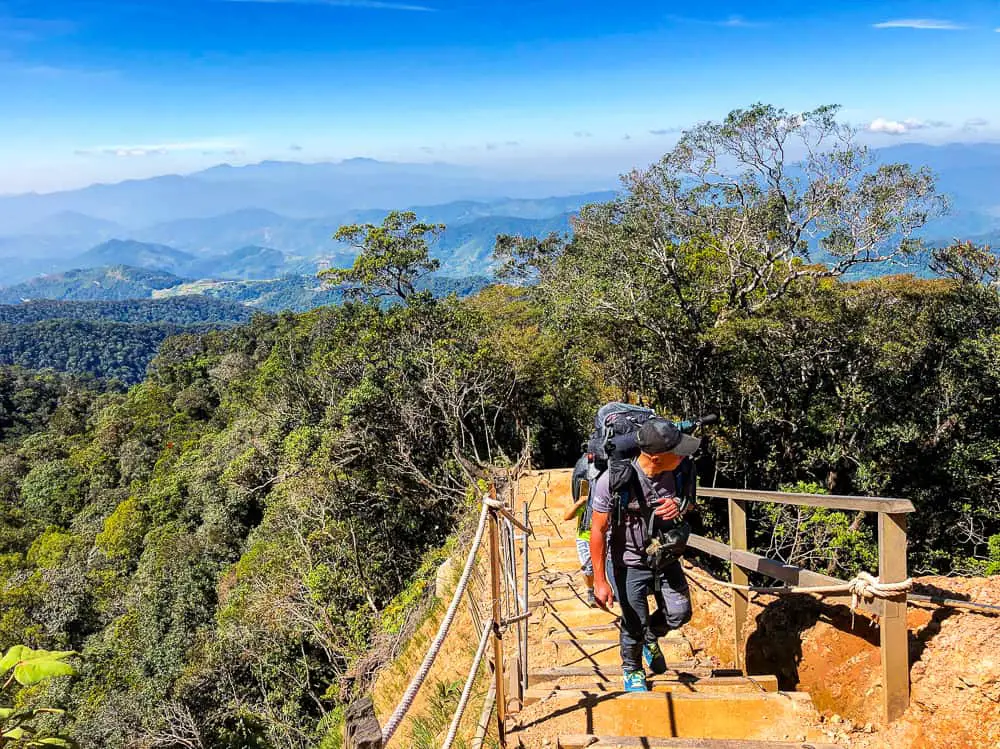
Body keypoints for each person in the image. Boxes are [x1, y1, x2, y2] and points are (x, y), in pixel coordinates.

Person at [589, 417, 699, 692]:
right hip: (628, 560)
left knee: (679, 613)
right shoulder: (611, 482)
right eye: (677, 451)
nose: (684, 455)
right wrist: (600, 581)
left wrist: (679, 507)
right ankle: (633, 669)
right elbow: (598, 530)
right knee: (634, 621)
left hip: (665, 554)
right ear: (656, 457)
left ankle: (652, 635)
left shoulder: (681, 470)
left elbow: (690, 504)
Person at [565, 451, 596, 607]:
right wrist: (581, 502)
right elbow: (567, 516)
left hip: (603, 536)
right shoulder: (586, 499)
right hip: (585, 537)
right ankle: (591, 590)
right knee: (589, 569)